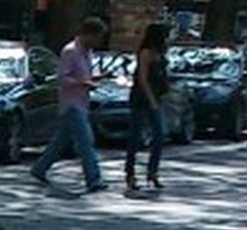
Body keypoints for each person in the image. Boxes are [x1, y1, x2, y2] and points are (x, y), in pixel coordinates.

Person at [32, 14, 109, 193]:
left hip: (82, 102)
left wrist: (95, 78)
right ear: (88, 34)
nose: (99, 41)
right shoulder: (70, 51)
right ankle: (93, 179)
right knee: (85, 141)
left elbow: (84, 76)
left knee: (60, 142)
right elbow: (62, 78)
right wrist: (82, 83)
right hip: (71, 104)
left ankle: (39, 168)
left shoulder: (88, 53)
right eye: (98, 37)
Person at [126, 20, 172, 194]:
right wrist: (151, 99)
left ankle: (152, 171)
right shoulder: (145, 53)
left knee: (159, 135)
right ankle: (130, 173)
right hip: (142, 99)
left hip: (157, 97)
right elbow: (143, 78)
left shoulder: (160, 53)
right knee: (135, 137)